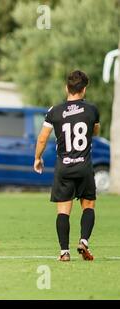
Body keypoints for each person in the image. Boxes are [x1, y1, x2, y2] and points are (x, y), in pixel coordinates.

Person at [34, 70, 100, 262]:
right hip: (84, 166)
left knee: (63, 210)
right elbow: (94, 132)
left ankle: (64, 252)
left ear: (66, 88)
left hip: (64, 167)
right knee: (88, 205)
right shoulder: (92, 109)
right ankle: (84, 241)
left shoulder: (54, 111)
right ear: (84, 89)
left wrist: (37, 158)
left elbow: (42, 139)